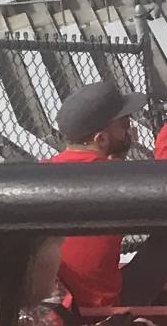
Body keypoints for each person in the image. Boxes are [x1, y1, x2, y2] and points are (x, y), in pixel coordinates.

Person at [44, 78, 142, 315]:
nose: (130, 130)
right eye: (124, 125)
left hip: (60, 306)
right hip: (100, 310)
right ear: (101, 139)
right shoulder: (121, 179)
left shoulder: (40, 171)